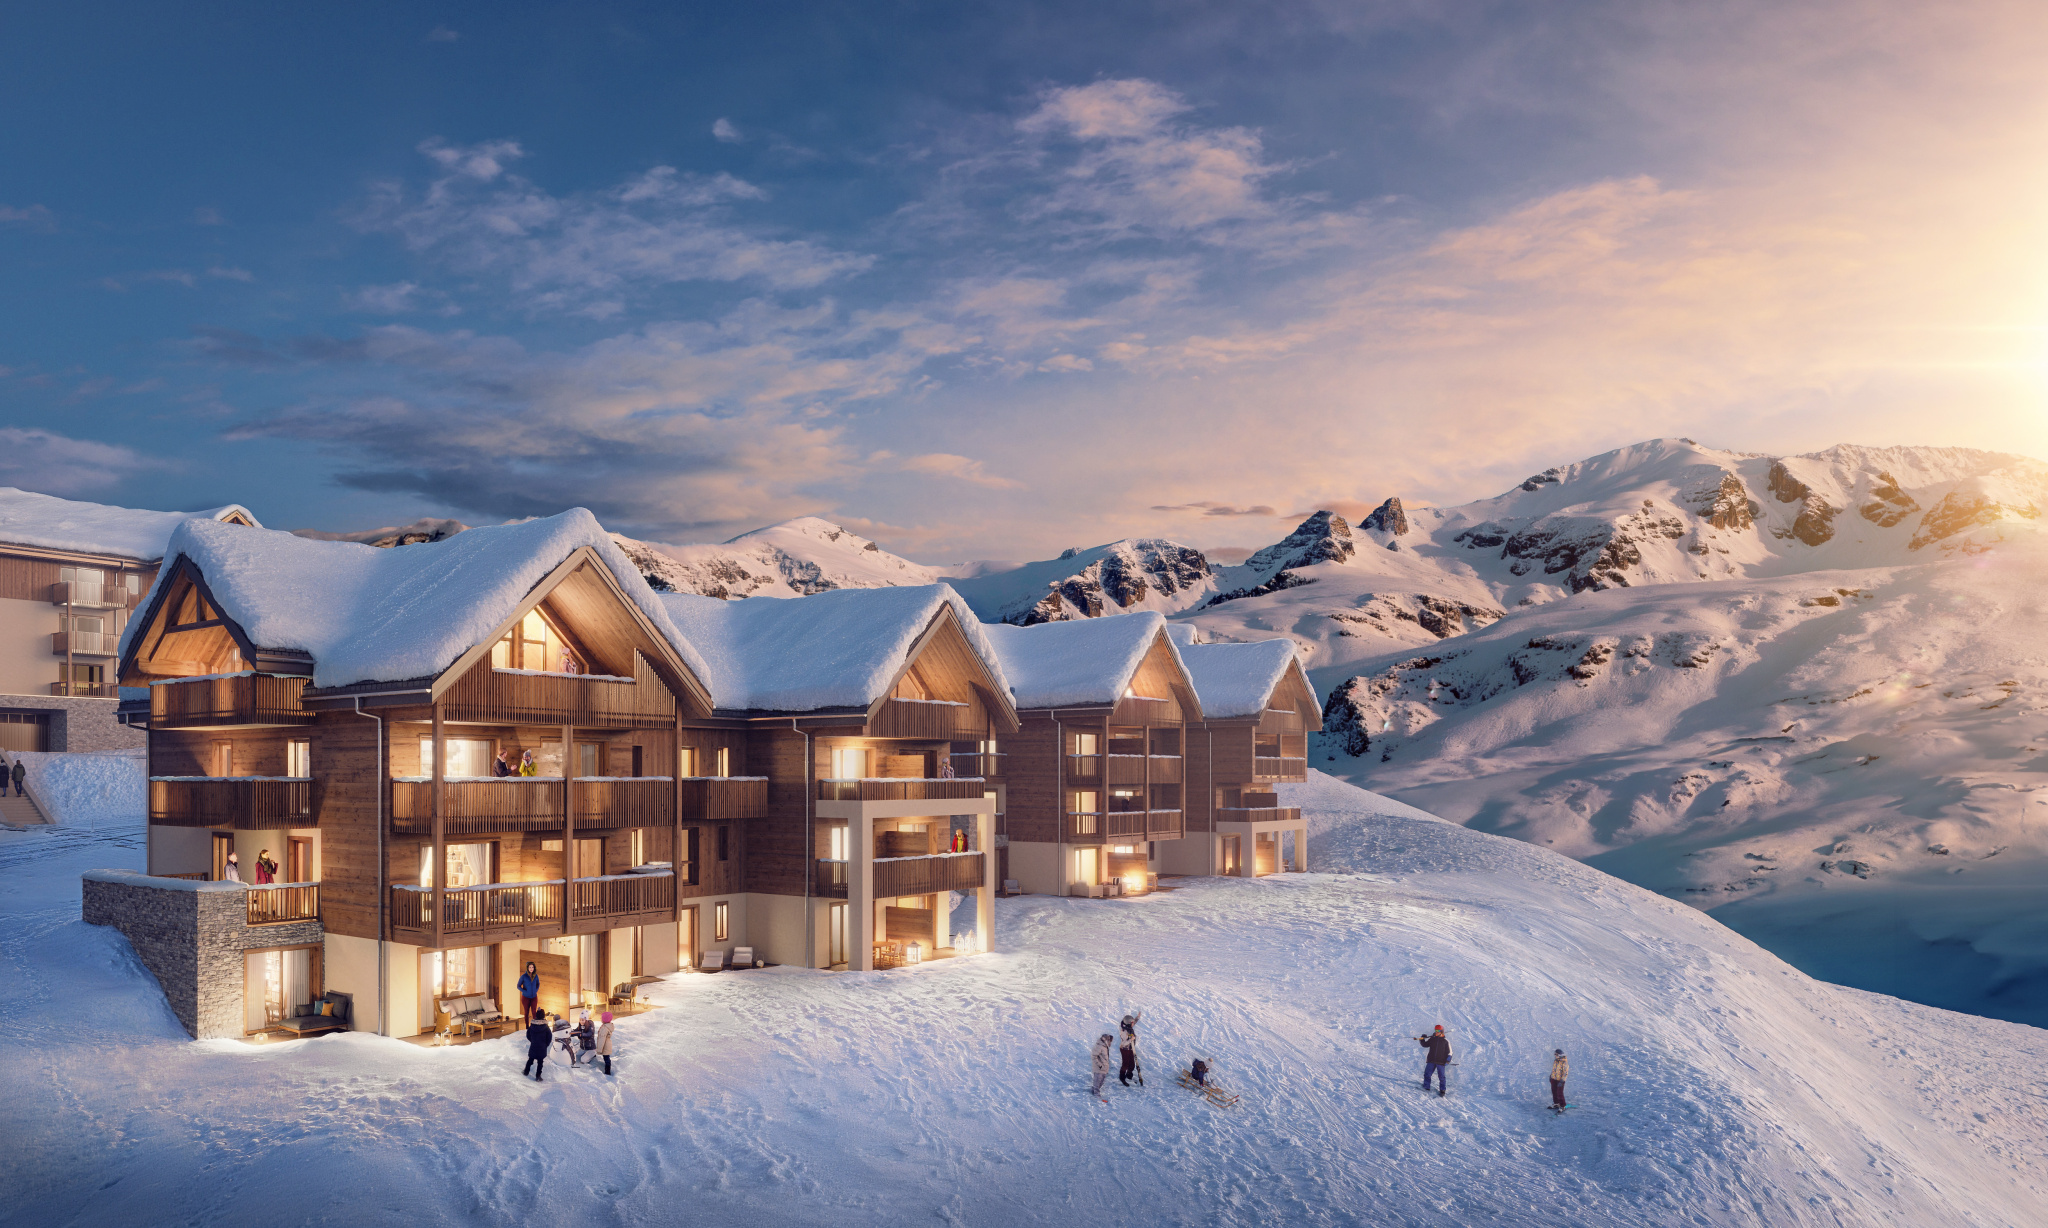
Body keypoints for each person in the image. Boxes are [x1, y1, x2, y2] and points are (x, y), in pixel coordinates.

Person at [1418, 1024, 1452, 1097]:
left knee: (1441, 1077)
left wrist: (1447, 1060)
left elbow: (1450, 1052)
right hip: (1431, 1060)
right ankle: (1426, 1087)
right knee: (1427, 1074)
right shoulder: (1432, 1039)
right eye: (1435, 1030)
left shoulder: (1445, 1041)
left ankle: (1442, 1090)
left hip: (1441, 1062)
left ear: (1441, 1031)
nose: (1436, 1032)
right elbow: (1425, 1045)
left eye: (1438, 1031)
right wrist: (1422, 1039)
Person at [523, 1008, 551, 1081]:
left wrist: (533, 1041)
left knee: (530, 1059)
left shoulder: (532, 1026)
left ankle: (526, 1071)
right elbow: (549, 1037)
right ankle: (538, 1076)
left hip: (534, 1046)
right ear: (543, 1016)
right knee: (540, 1062)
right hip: (542, 1047)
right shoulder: (546, 1027)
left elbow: (528, 1035)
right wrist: (545, 1044)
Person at [1118, 1012, 1143, 1087]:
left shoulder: (1128, 1027)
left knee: (1132, 1064)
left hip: (1131, 1048)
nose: (1133, 1024)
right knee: (1125, 1064)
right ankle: (1122, 1077)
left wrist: (1137, 1017)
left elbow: (1133, 1022)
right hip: (1124, 1049)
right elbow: (1123, 1043)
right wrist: (1131, 1040)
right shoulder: (1124, 1031)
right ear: (1128, 1024)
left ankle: (1129, 1076)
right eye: (1132, 1023)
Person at [594, 1011, 615, 1076]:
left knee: (606, 1058)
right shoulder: (607, 1026)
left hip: (605, 1046)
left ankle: (607, 1072)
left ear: (605, 1019)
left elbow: (602, 1039)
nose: (600, 1019)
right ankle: (607, 1069)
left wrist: (599, 1050)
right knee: (606, 1057)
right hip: (607, 1044)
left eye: (601, 1018)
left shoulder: (604, 1028)